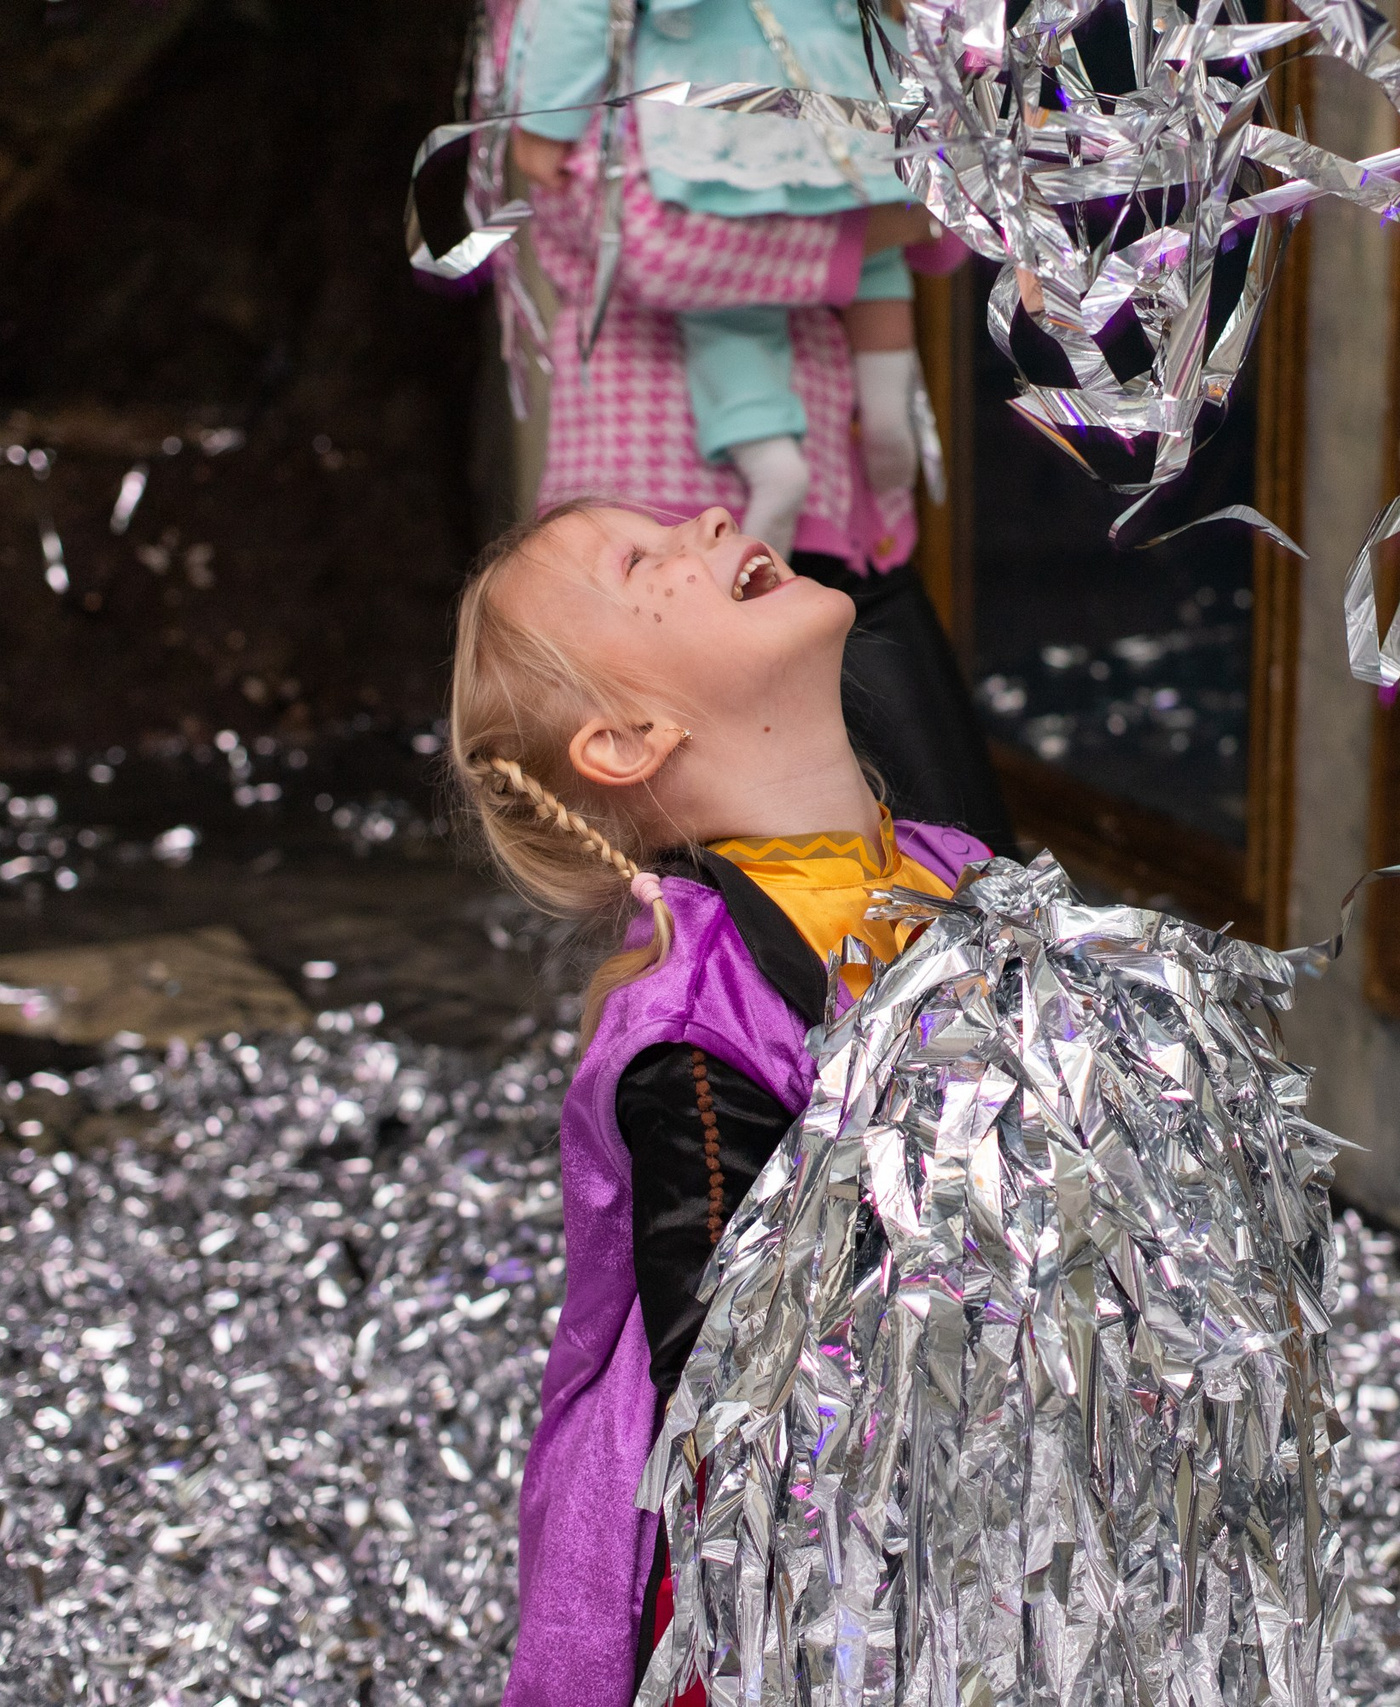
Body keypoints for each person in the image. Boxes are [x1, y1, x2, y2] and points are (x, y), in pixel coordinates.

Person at [446, 500, 990, 1707]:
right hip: (805, 1611)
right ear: (629, 736)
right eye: (640, 559)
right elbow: (747, 1404)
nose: (707, 513)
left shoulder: (961, 874)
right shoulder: (695, 1033)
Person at [506, 104, 1016, 854]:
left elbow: (938, 224)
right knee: (698, 880)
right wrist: (904, 210)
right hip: (668, 504)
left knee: (948, 855)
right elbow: (655, 245)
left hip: (826, 501)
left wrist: (958, 167)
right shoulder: (583, 32)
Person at [510, 0, 924, 551]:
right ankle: (882, 413)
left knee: (735, 289)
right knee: (866, 236)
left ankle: (781, 450)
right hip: (835, 80)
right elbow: (658, 254)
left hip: (730, 90)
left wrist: (546, 115)